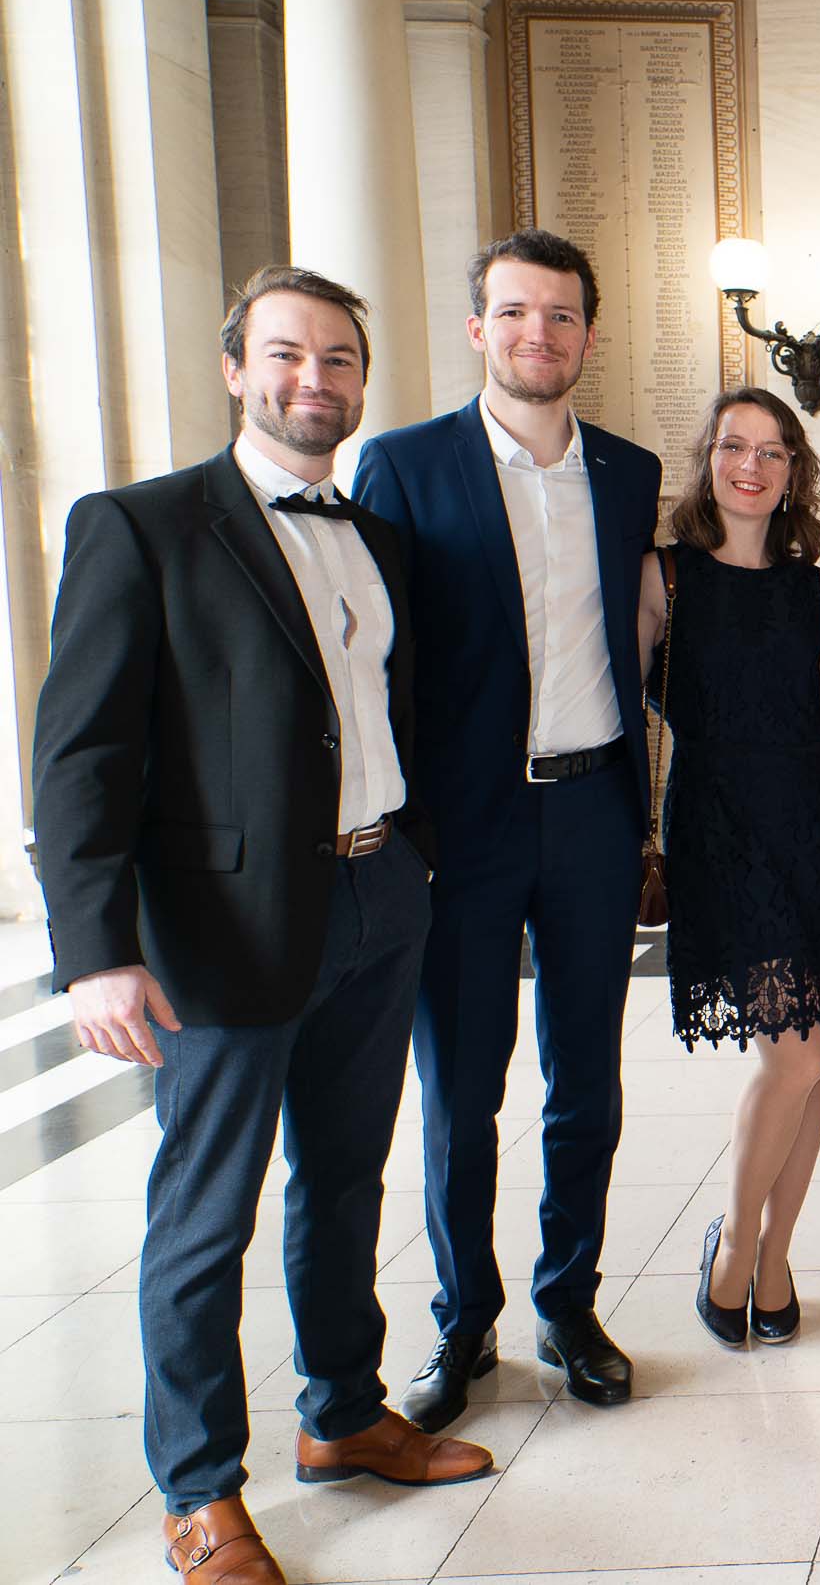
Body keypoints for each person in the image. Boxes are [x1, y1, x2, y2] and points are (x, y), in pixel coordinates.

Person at [33, 266, 494, 1585]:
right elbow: (81, 752)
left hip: (373, 895)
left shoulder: (381, 536)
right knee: (206, 1209)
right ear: (237, 367)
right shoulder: (143, 525)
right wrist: (94, 948)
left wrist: (410, 862)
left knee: (347, 1179)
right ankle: (196, 1485)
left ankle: (342, 1409)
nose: (316, 380)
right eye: (287, 355)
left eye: (340, 358)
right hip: (219, 925)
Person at [356, 229, 661, 1429]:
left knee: (586, 1079)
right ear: (479, 328)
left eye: (564, 316)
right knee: (461, 1090)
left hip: (590, 811)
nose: (541, 334)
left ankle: (569, 1300)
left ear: (590, 334)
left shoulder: (631, 472)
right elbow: (378, 662)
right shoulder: (405, 465)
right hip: (466, 827)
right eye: (516, 313)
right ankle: (462, 1317)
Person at [637, 388, 820, 1348]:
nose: (752, 464)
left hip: (808, 829)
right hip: (720, 834)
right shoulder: (664, 577)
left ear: (793, 473)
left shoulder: (812, 584)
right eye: (735, 446)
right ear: (708, 459)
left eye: (773, 451)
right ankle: (736, 1245)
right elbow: (619, 716)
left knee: (808, 1061)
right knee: (799, 1055)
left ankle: (774, 1261)